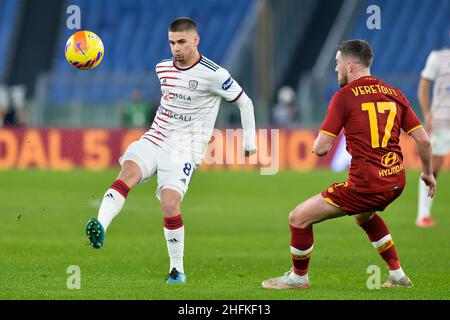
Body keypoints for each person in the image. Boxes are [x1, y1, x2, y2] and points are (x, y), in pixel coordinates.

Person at [85, 17, 257, 284]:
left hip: (184, 149)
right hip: (155, 137)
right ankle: (101, 227)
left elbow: (245, 102)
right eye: (172, 42)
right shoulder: (162, 68)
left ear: (195, 40)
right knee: (127, 173)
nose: (176, 48)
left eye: (182, 42)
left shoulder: (214, 74)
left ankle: (177, 269)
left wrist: (250, 143)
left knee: (169, 204)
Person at [262, 40, 435, 290]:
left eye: (337, 63)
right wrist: (428, 173)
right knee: (365, 216)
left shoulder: (344, 97)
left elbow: (321, 148)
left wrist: (324, 138)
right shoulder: (395, 93)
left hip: (366, 185)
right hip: (396, 181)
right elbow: (424, 141)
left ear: (349, 65)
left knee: (298, 218)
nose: (335, 69)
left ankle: (298, 278)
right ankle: (397, 275)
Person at [415, 32, 450, 228]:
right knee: (432, 168)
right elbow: (423, 85)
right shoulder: (439, 58)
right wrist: (427, 112)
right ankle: (423, 215)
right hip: (442, 121)